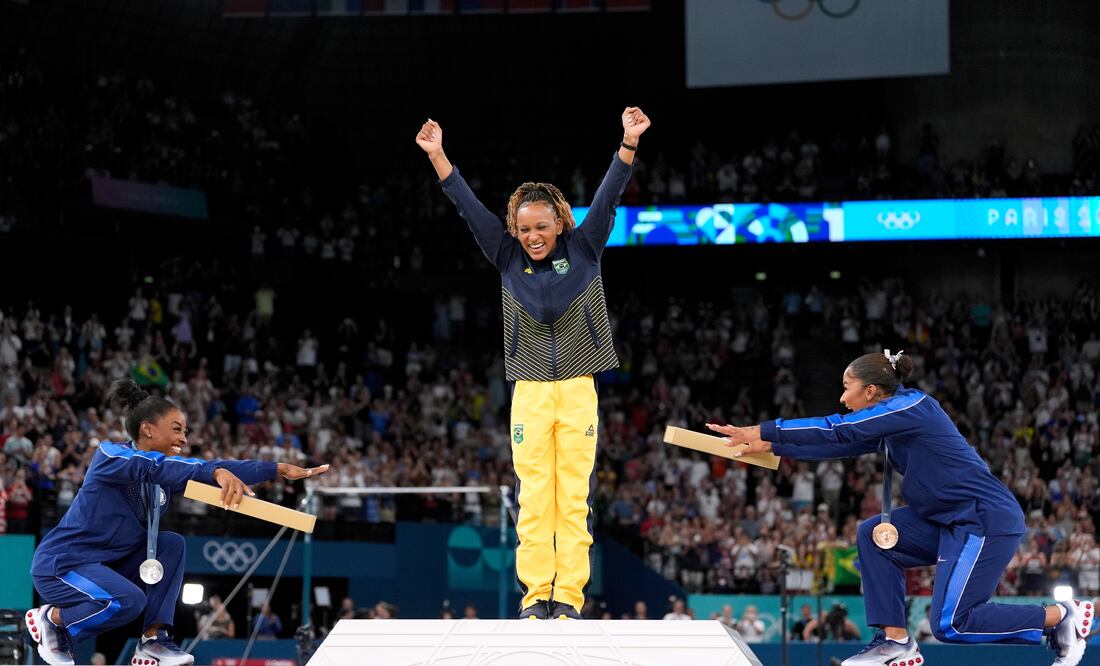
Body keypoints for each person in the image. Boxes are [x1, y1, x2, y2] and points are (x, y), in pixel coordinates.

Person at [707, 350, 1092, 666]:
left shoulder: (913, 407)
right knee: (872, 536)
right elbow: (841, 443)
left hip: (982, 519)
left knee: (951, 624)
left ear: (871, 391)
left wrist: (762, 430)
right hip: (947, 521)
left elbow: (837, 428)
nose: (842, 398)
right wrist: (772, 446)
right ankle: (895, 642)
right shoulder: (892, 419)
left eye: (847, 388)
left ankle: (1061, 616)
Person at [417, 107, 650, 620]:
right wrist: (438, 156)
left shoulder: (586, 247)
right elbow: (467, 206)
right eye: (524, 229)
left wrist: (628, 143)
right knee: (534, 498)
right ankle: (534, 596)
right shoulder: (505, 256)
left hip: (578, 388)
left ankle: (568, 598)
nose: (533, 236)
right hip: (530, 392)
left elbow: (609, 194)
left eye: (542, 226)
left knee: (574, 498)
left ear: (560, 223)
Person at [26, 378, 330, 666]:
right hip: (63, 564)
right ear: (147, 429)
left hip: (109, 565)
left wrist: (275, 469)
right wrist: (213, 472)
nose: (184, 438)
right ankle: (52, 620)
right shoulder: (110, 455)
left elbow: (207, 467)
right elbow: (158, 467)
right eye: (176, 429)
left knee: (171, 544)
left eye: (185, 431)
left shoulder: (165, 475)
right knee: (128, 600)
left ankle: (153, 640)